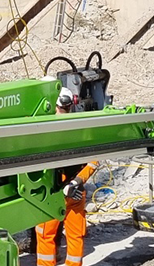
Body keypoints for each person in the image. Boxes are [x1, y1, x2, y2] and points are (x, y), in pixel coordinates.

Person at [36, 87, 96, 266]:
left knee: (46, 235)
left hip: (53, 194)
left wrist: (74, 183)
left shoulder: (46, 129)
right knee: (75, 237)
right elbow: (94, 160)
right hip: (71, 192)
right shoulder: (80, 128)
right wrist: (76, 183)